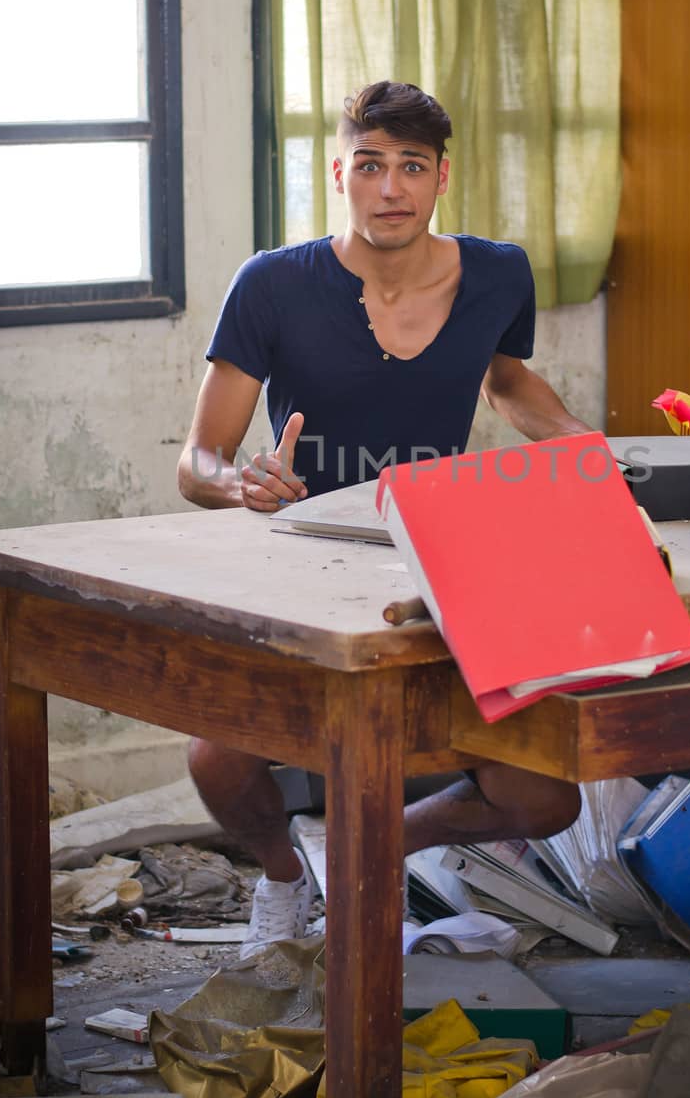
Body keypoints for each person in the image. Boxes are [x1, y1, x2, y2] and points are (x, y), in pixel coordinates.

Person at [178, 80, 587, 953]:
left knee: (546, 797)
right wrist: (238, 483)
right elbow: (197, 460)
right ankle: (286, 880)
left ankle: (377, 846)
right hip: (302, 566)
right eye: (370, 166)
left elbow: (507, 379)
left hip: (434, 569)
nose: (390, 187)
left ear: (443, 178)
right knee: (216, 756)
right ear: (340, 173)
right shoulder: (272, 284)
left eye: (411, 167)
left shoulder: (499, 274)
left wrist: (585, 451)